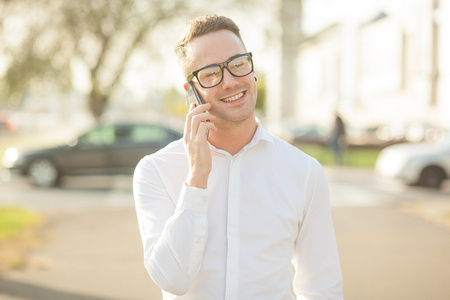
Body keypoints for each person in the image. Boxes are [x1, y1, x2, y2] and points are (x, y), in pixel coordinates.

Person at [133, 14, 343, 299]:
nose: (230, 81)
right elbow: (173, 279)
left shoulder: (304, 171)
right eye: (210, 73)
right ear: (192, 92)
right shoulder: (155, 171)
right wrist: (196, 178)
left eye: (238, 64)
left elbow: (321, 285)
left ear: (251, 68)